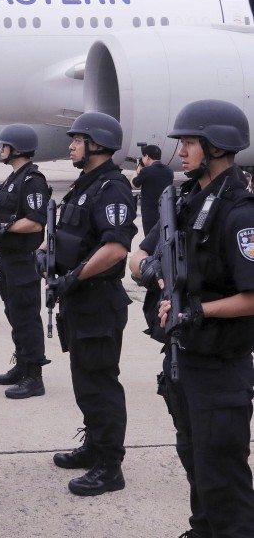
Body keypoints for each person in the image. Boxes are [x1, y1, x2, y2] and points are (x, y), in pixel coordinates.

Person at [129, 100, 254, 536]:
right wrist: (154, 274)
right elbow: (138, 254)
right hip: (183, 358)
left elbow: (251, 296)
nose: (180, 151)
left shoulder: (239, 212)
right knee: (194, 458)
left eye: (189, 142)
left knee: (223, 475)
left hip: (221, 366)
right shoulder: (183, 200)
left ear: (217, 146)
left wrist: (196, 310)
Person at [44, 111, 135, 497]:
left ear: (96, 143)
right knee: (86, 383)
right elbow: (69, 234)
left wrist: (72, 277)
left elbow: (115, 248)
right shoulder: (86, 184)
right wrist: (46, 259)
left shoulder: (111, 188)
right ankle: (95, 445)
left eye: (77, 140)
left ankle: (109, 466)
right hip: (80, 301)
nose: (71, 145)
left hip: (97, 301)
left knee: (99, 384)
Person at [0, 125, 50, 399]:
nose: (1, 149)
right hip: (8, 258)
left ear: (16, 148)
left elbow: (35, 222)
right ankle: (22, 364)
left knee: (26, 317)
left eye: (4, 145)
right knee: (14, 314)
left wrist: (2, 227)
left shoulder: (32, 180)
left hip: (24, 260)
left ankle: (34, 376)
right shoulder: (13, 179)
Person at [131, 144, 173, 236]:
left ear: (146, 156)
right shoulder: (169, 171)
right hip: (166, 211)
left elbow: (133, 185)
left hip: (150, 214)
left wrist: (138, 169)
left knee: (150, 240)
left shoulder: (146, 171)